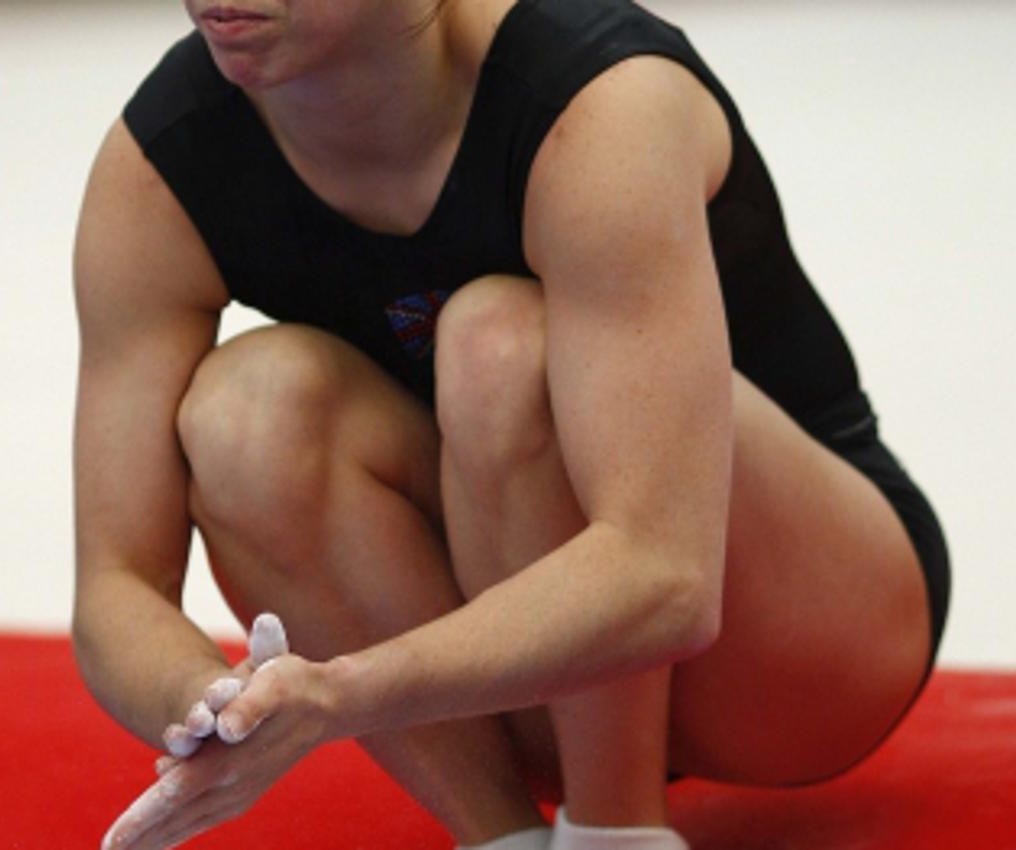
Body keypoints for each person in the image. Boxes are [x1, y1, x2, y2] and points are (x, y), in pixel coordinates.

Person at [70, 0, 951, 848]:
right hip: (520, 661)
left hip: (802, 647)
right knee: (247, 410)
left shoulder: (596, 97)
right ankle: (502, 839)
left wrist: (341, 693)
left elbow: (668, 579)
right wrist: (215, 709)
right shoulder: (162, 165)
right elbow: (116, 585)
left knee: (501, 346)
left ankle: (616, 833)